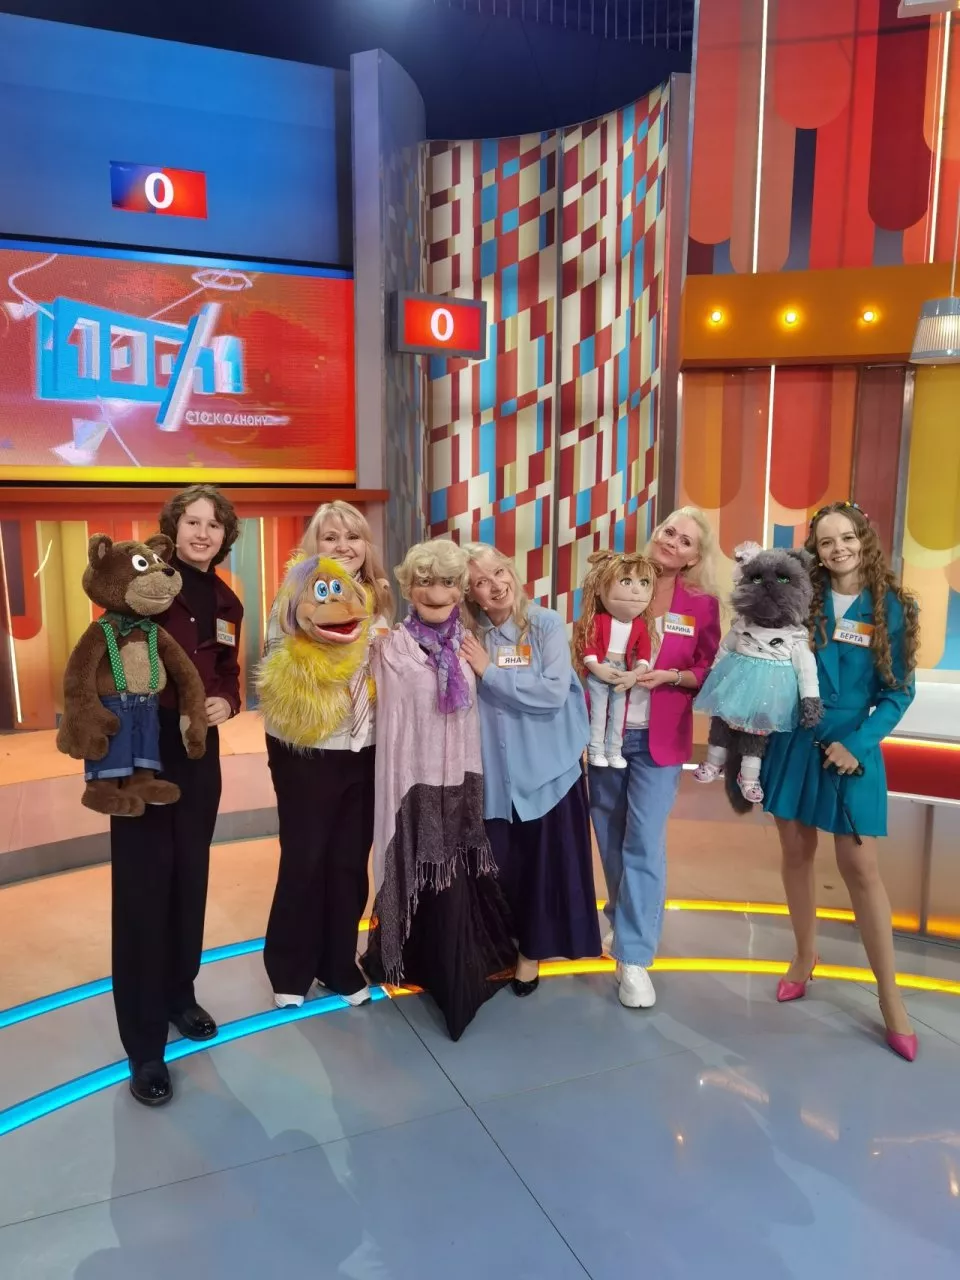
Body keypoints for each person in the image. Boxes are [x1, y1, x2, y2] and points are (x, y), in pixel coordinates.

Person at [761, 501, 920, 1061]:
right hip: (794, 740)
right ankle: (805, 956)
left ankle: (890, 998)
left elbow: (898, 692)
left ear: (863, 539)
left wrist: (858, 744)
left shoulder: (893, 607)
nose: (838, 549)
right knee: (795, 854)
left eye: (847, 537)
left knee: (861, 870)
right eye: (826, 541)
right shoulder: (800, 598)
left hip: (854, 748)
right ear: (816, 549)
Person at [111, 483, 243, 1106]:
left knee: (190, 877)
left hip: (197, 749)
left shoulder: (227, 600)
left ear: (225, 536)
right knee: (143, 889)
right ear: (173, 526)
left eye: (214, 524)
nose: (202, 533)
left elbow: (228, 671)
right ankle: (143, 1046)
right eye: (192, 521)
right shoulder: (142, 580)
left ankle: (178, 995)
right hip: (142, 743)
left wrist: (228, 701)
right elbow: (105, 651)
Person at [362, 539, 516, 1040]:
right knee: (414, 870)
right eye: (425, 581)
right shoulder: (388, 647)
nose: (437, 592)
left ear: (460, 589)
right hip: (410, 784)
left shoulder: (469, 644)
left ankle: (452, 972)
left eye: (448, 582)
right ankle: (406, 957)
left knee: (454, 881)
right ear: (409, 587)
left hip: (461, 781)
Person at [260, 501, 392, 1011]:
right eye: (330, 537)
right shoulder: (296, 594)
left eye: (353, 536)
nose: (343, 546)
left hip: (364, 747)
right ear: (314, 545)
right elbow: (280, 671)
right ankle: (290, 966)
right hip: (308, 749)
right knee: (305, 858)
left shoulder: (377, 597)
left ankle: (337, 962)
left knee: (348, 861)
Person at [588, 507, 722, 1010]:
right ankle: (624, 918)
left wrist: (674, 677)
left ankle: (635, 957)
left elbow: (710, 667)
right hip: (606, 733)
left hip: (660, 739)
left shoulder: (702, 604)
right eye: (670, 531)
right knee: (609, 837)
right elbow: (585, 639)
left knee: (643, 840)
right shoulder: (613, 577)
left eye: (686, 541)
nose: (673, 543)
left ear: (694, 558)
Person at [460, 543, 601, 996]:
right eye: (481, 582)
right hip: (495, 779)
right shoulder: (469, 635)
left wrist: (490, 672)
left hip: (548, 772)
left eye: (499, 572)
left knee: (542, 872)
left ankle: (530, 955)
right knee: (503, 869)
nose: (496, 586)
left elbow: (553, 692)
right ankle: (501, 945)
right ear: (471, 594)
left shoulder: (544, 624)